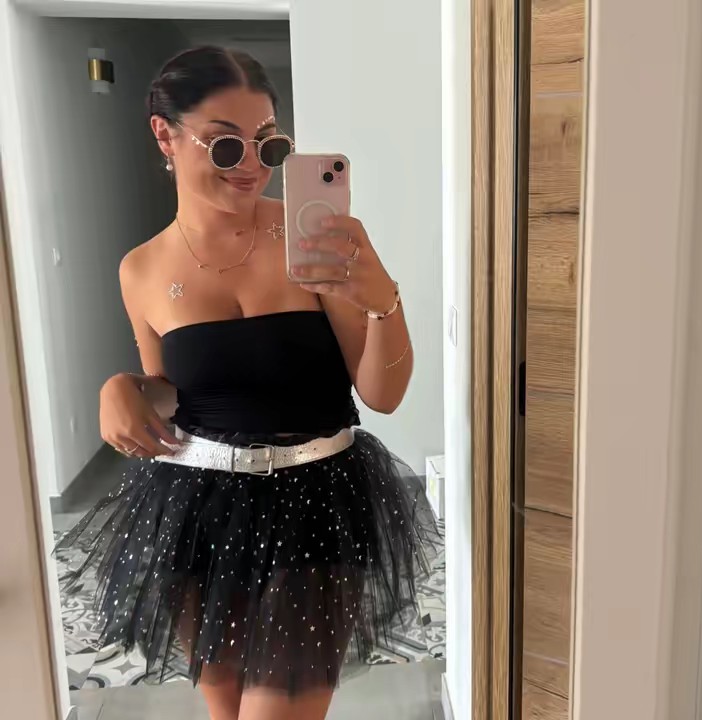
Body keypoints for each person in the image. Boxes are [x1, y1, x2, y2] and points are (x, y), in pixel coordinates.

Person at [56, 46, 438, 720]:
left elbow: (382, 394)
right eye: (227, 146)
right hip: (195, 509)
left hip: (317, 503)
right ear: (165, 135)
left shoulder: (314, 237)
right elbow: (173, 392)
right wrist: (121, 389)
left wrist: (385, 302)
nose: (254, 166)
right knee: (226, 709)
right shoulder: (141, 269)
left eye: (269, 144)